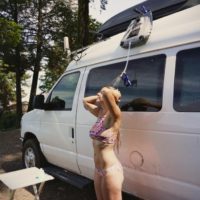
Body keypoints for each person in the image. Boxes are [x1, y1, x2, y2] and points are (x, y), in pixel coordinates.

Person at [83, 86, 124, 200]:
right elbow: (85, 101)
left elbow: (106, 93)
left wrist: (109, 92)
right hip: (98, 169)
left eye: (100, 92)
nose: (98, 93)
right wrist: (100, 96)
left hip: (110, 171)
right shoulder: (99, 113)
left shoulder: (114, 116)